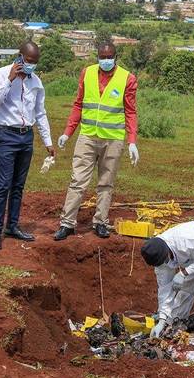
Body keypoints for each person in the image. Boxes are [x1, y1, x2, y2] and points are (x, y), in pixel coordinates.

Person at [53, 41, 139, 240]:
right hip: (88, 136)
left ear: (116, 57)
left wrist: (132, 141)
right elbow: (78, 104)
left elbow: (131, 111)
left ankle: (100, 221)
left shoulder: (127, 78)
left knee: (106, 183)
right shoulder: (87, 73)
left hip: (113, 139)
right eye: (102, 57)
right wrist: (67, 132)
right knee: (78, 180)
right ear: (97, 57)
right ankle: (67, 223)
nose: (106, 60)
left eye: (109, 57)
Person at [0, 40, 55, 250]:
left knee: (18, 185)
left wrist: (48, 141)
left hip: (26, 137)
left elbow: (40, 112)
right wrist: (10, 80)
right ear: (20, 56)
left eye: (35, 62)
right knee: (3, 185)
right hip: (6, 135)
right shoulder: (0, 75)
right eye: (29, 60)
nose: (31, 65)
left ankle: (12, 226)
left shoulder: (36, 82)